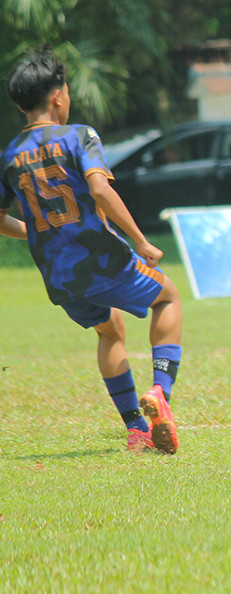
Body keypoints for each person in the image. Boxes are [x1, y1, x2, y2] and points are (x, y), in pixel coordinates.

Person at [0, 47, 184, 453]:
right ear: (58, 95)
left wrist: (37, 230)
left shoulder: (9, 155)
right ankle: (160, 395)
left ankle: (136, 430)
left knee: (110, 329)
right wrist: (140, 240)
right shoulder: (78, 135)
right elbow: (100, 188)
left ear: (19, 103)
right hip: (102, 258)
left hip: (58, 275)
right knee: (168, 298)